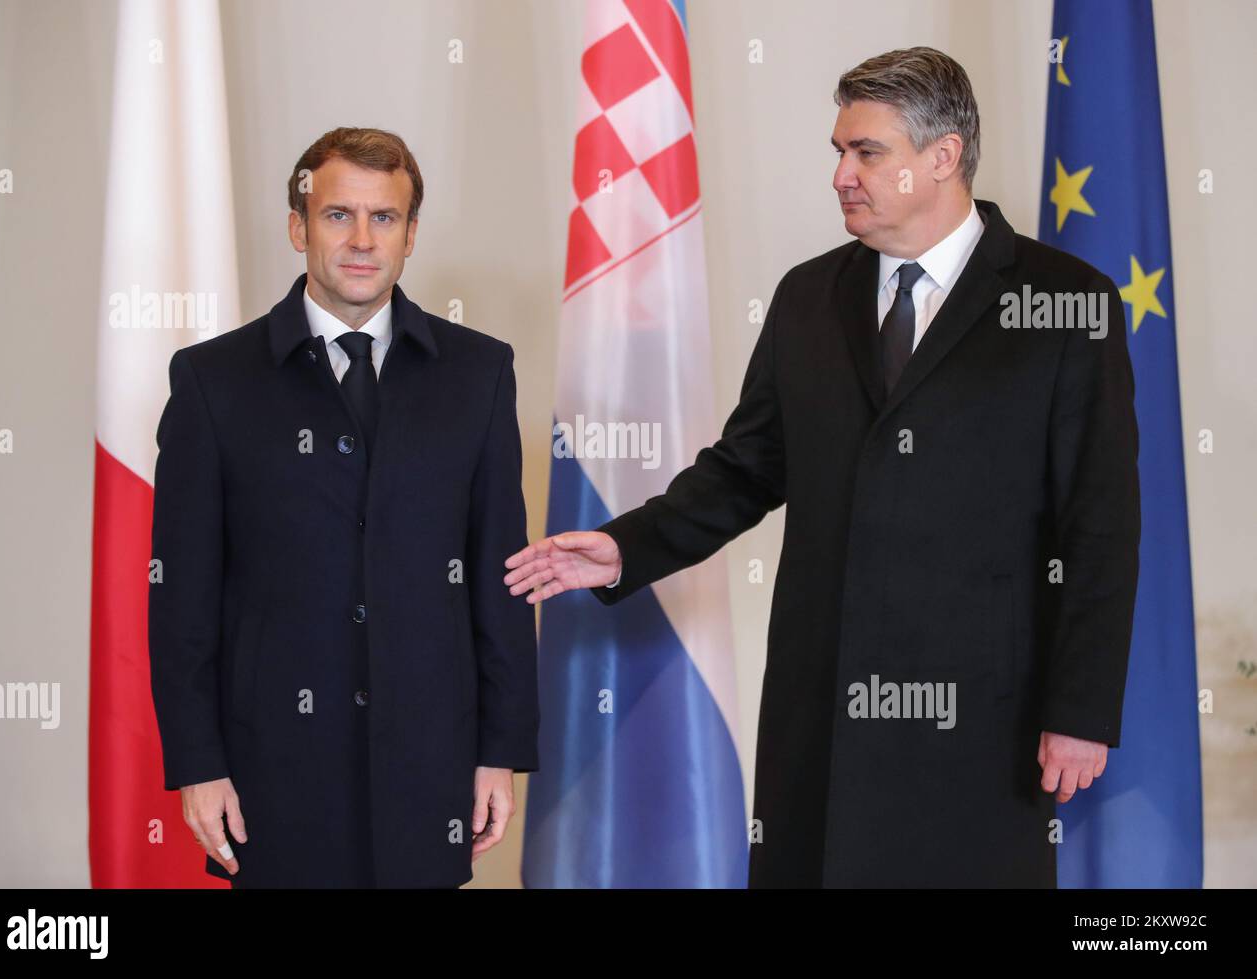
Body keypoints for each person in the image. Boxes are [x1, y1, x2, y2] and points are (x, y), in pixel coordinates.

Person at [504, 48, 1139, 887]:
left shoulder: (1066, 304)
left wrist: (1080, 710)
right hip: (821, 720)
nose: (841, 174)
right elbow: (745, 467)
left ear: (941, 157)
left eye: (866, 152)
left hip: (984, 730)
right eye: (838, 151)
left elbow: (1100, 526)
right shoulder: (807, 295)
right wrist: (628, 548)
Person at [149, 127, 538, 887]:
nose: (362, 240)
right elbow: (181, 596)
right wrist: (197, 762)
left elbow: (502, 576)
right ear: (299, 226)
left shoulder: (480, 373)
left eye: (384, 218)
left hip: (430, 766)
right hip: (273, 774)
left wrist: (500, 748)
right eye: (337, 216)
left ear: (411, 233)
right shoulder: (213, 381)